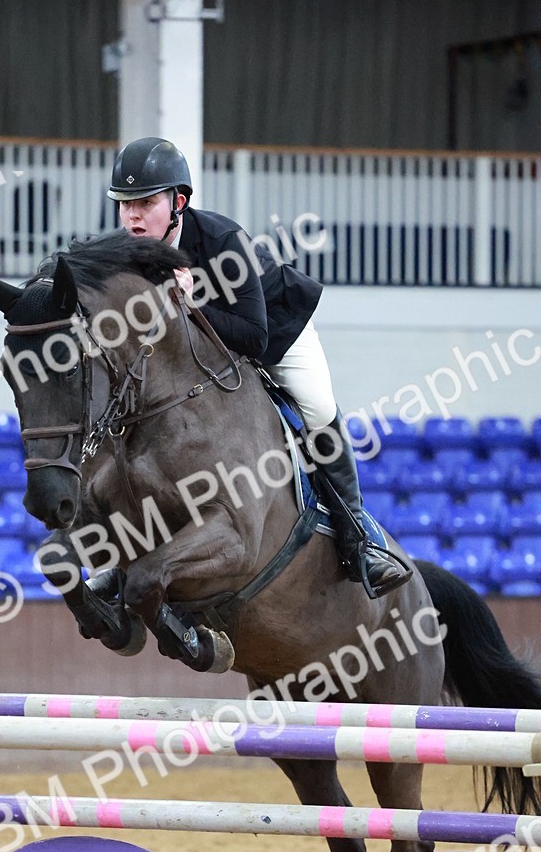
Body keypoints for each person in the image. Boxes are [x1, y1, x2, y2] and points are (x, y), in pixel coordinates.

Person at [108, 136, 411, 599]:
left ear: (178, 202)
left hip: (275, 329)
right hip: (206, 349)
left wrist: (194, 304)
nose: (132, 215)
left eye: (145, 202)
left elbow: (255, 337)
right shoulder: (123, 252)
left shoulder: (222, 241)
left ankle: (360, 537)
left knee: (316, 408)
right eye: (124, 204)